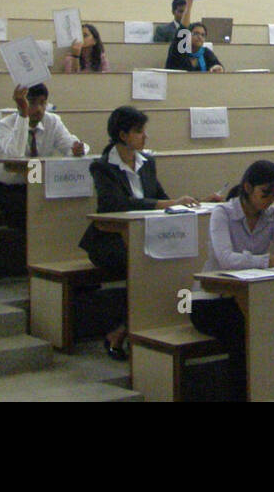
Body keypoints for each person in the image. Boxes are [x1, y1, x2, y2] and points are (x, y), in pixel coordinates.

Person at [77, 106, 201, 360]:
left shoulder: (147, 163)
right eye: (139, 131)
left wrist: (194, 202)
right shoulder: (102, 167)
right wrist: (163, 204)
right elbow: (115, 205)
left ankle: (127, 330)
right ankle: (127, 331)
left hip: (146, 236)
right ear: (123, 135)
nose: (145, 137)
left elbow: (162, 198)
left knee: (170, 262)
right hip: (109, 240)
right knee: (145, 267)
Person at [192, 160, 274, 399]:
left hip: (252, 297)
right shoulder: (222, 213)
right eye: (265, 193)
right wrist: (271, 260)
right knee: (244, 334)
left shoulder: (271, 215)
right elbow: (226, 259)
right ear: (247, 187)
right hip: (210, 300)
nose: (269, 201)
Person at [0, 84, 88, 226]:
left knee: (64, 204)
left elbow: (70, 144)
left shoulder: (52, 121)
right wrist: (23, 115)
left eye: (42, 103)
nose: (38, 109)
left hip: (39, 186)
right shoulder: (4, 125)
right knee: (30, 208)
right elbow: (15, 155)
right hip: (9, 189)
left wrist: (78, 149)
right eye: (32, 103)